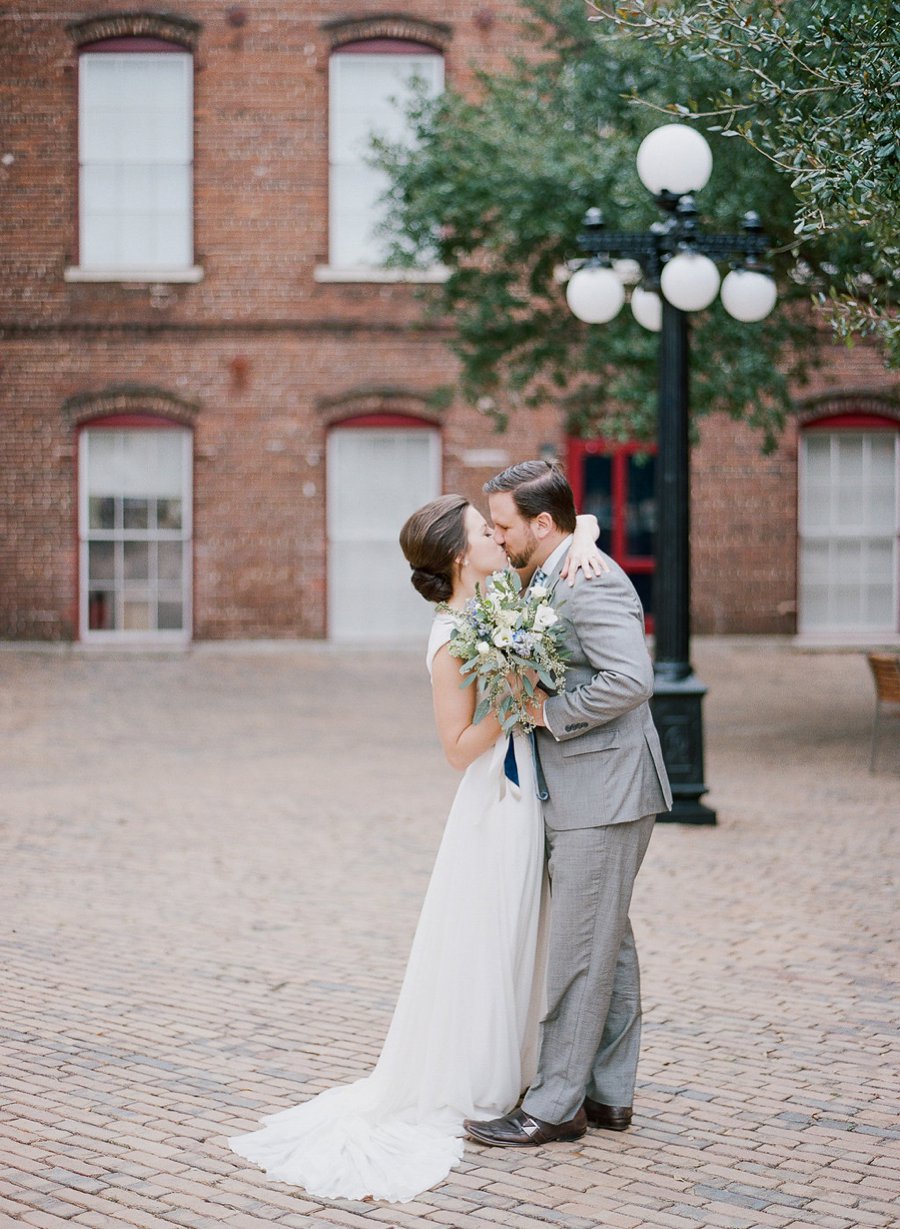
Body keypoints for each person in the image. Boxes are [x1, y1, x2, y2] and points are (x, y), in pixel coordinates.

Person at [228, 495, 604, 1203]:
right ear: (463, 555)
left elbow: (562, 528)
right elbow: (457, 749)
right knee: (494, 934)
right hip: (495, 799)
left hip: (527, 795)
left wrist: (582, 530)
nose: (497, 533)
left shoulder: (501, 599)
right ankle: (488, 1074)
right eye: (482, 530)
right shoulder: (451, 636)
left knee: (527, 930)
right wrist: (515, 696)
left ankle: (529, 1064)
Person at [464, 460, 672, 1148]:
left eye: (503, 525)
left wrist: (550, 711)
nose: (497, 535)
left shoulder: (589, 580)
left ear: (541, 524)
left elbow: (630, 679)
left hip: (605, 791)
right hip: (586, 789)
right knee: (605, 945)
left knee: (581, 951)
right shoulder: (553, 566)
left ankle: (555, 1105)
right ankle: (609, 1095)